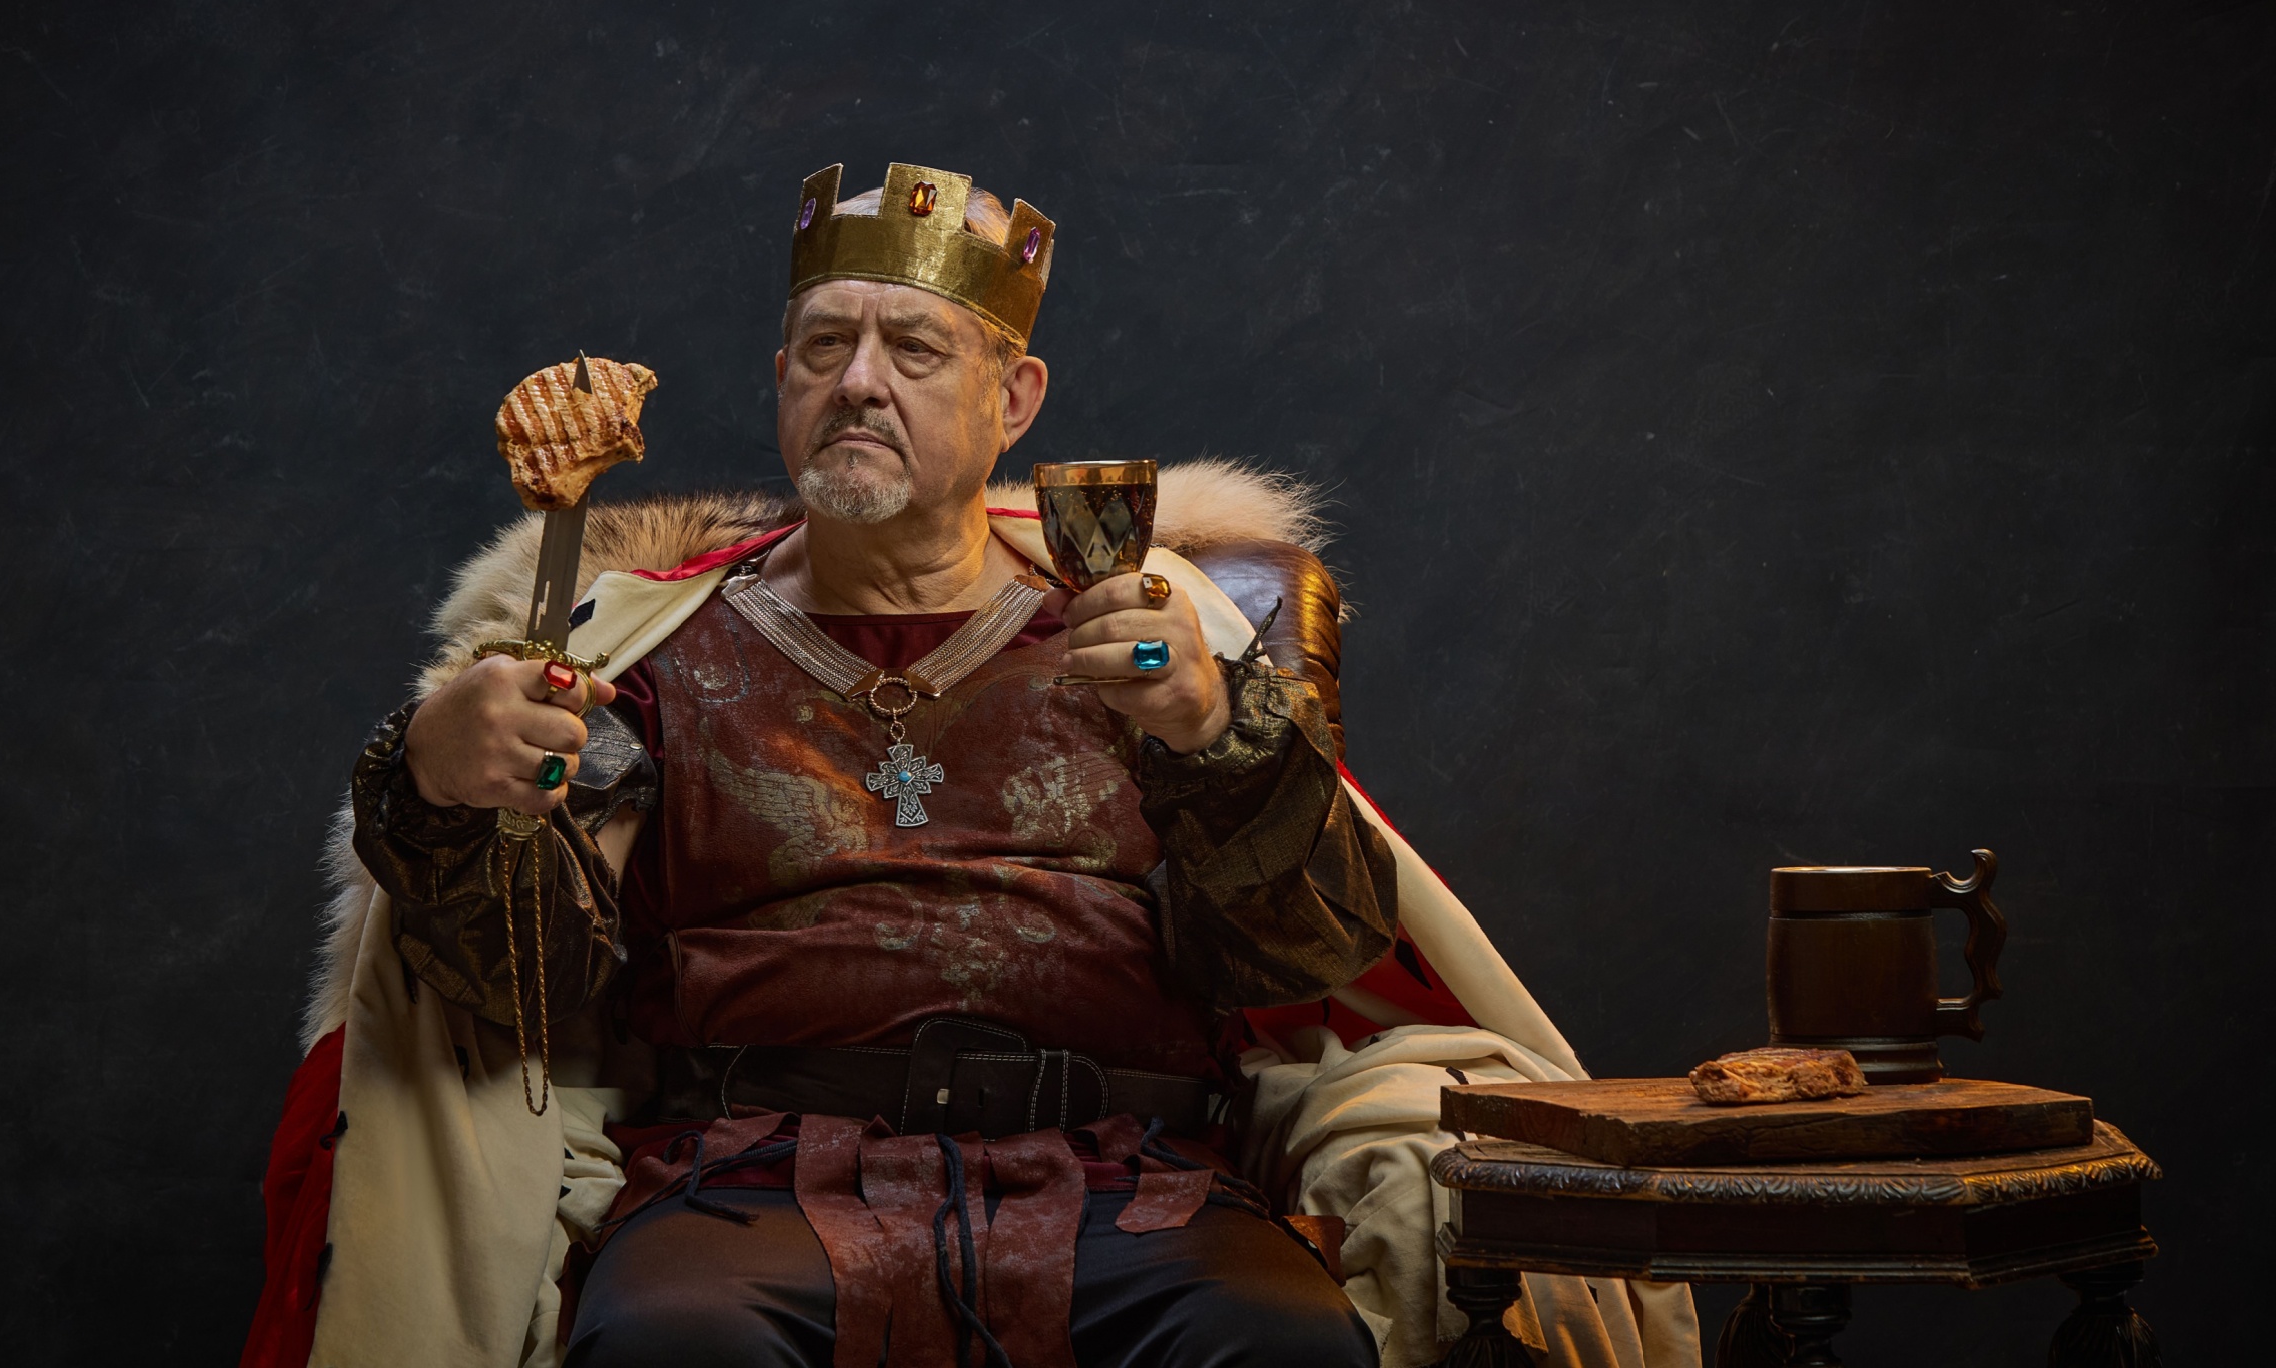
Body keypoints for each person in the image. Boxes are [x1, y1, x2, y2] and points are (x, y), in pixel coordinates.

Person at [241, 162, 1700, 1368]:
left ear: (1015, 400)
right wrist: (431, 790)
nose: (860, 383)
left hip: (1131, 1181)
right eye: (825, 346)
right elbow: (531, 997)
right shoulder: (650, 650)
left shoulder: (1149, 633)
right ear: (779, 381)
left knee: (1283, 1354)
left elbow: (1305, 959)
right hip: (750, 1182)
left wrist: (1215, 740)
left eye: (915, 349)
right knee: (672, 1353)